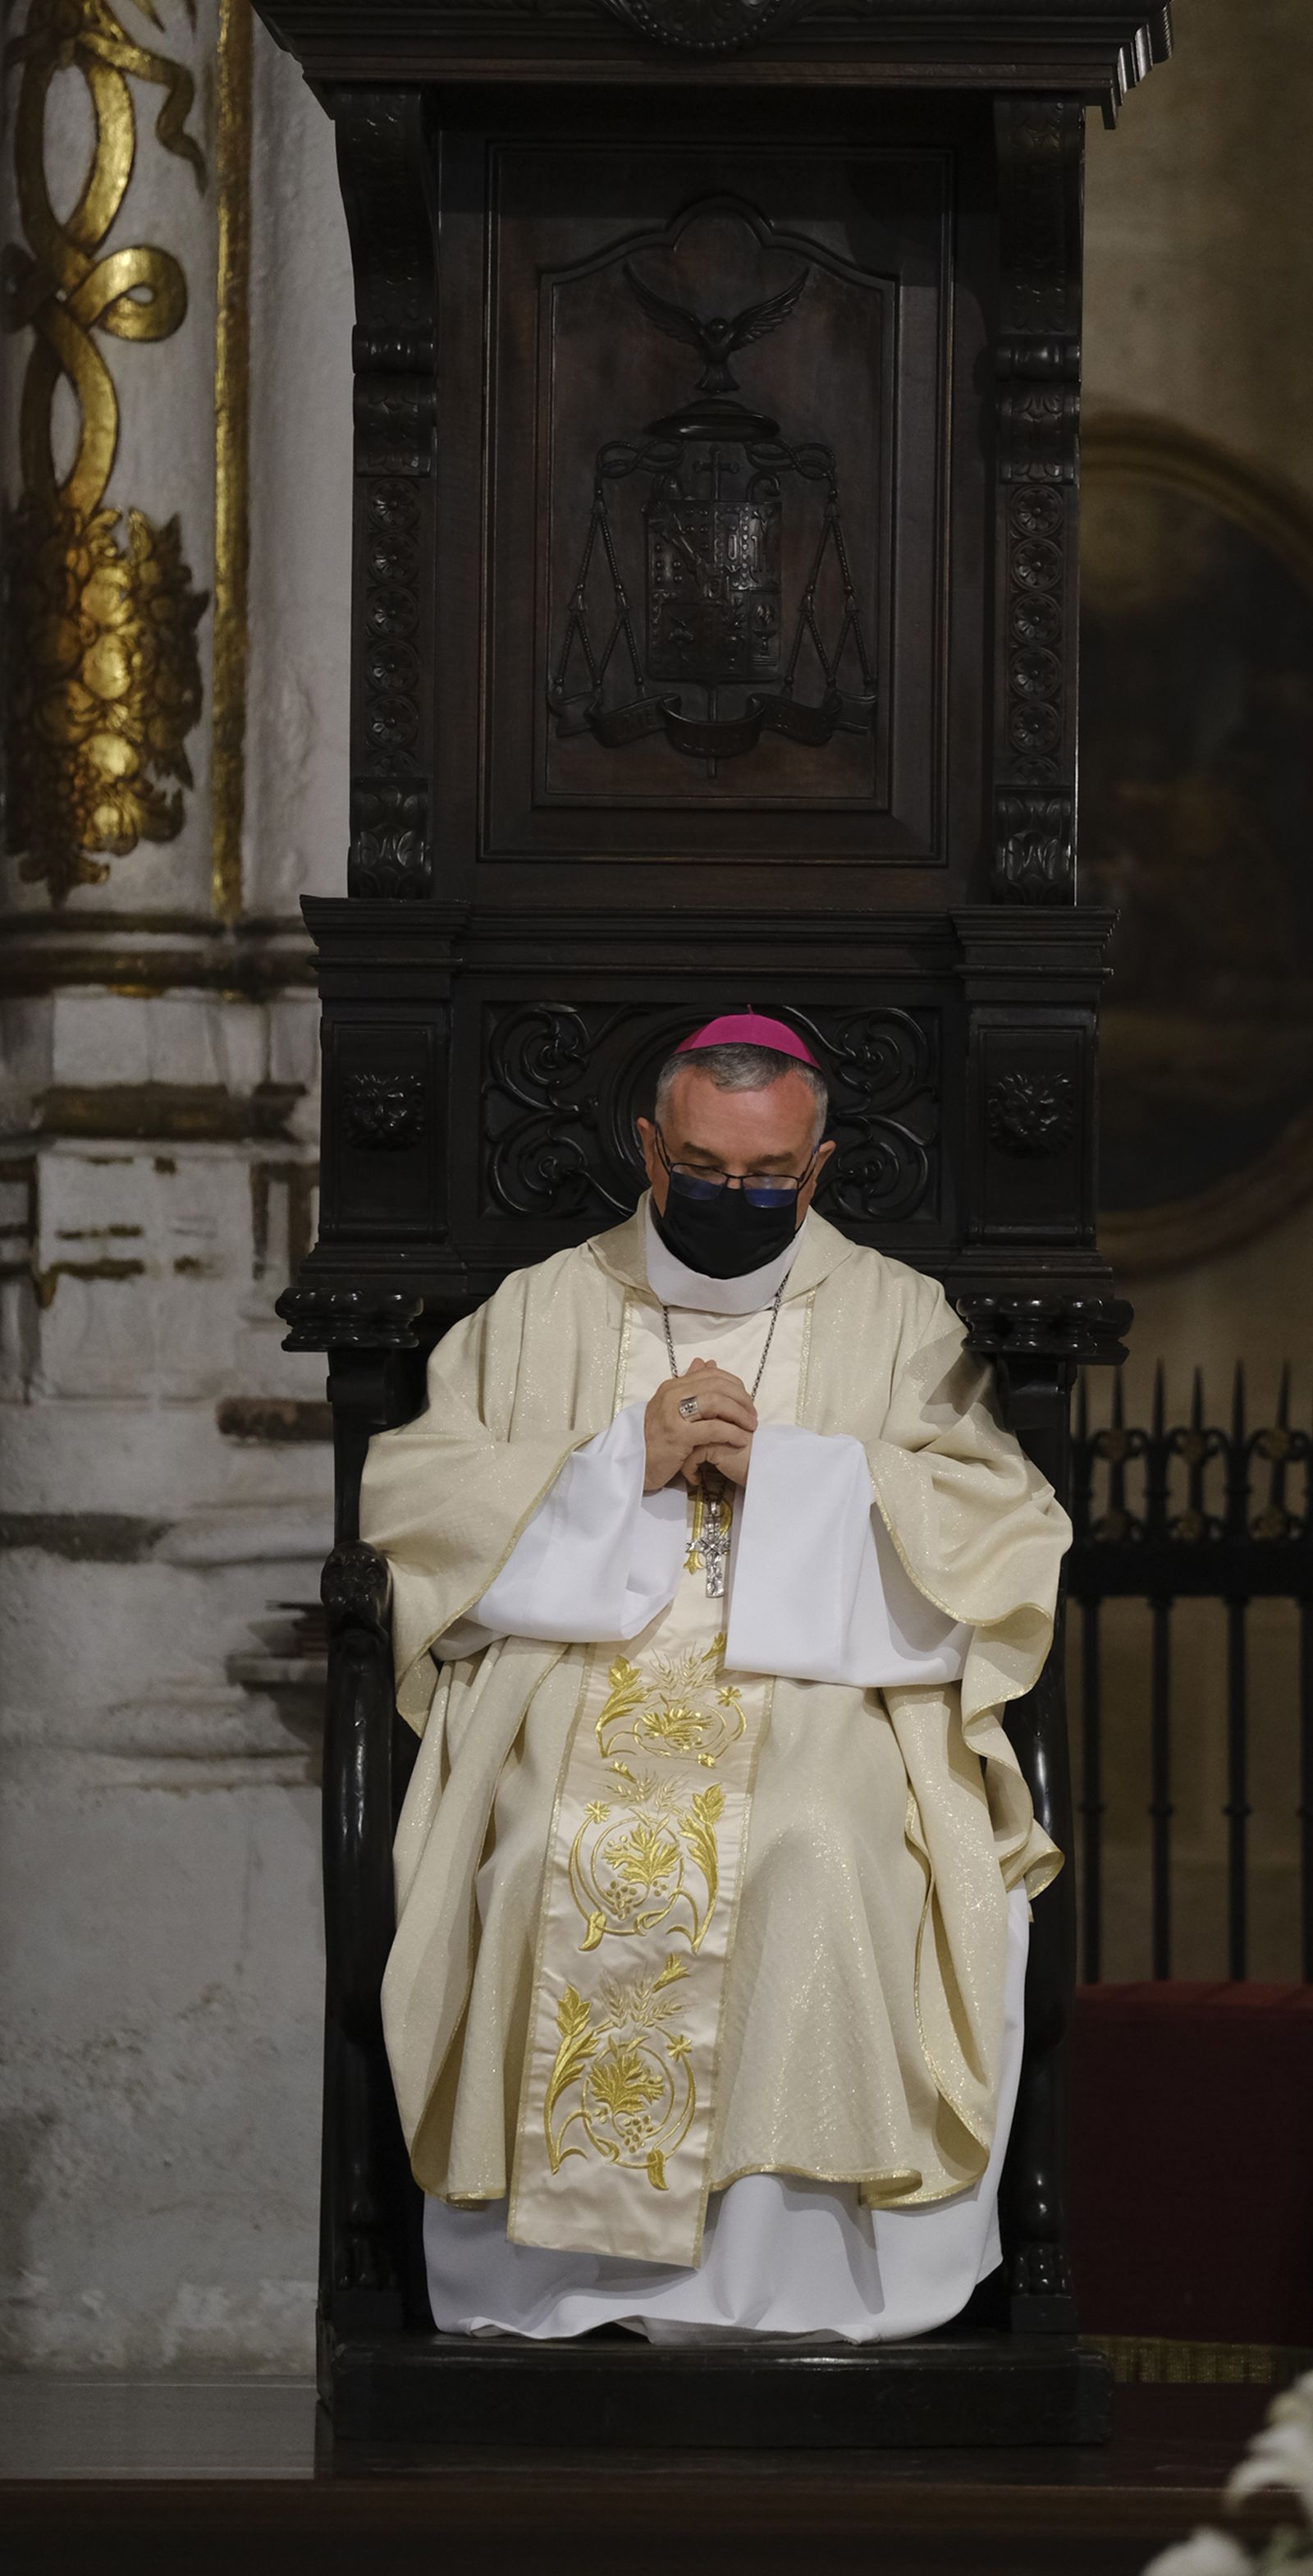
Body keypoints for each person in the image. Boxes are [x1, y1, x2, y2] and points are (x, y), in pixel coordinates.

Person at [359, 1012, 1069, 2342]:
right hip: (580, 1675)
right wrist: (610, 1465)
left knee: (810, 1849)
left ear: (817, 1167)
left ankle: (778, 2281)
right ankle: (568, 2282)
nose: (734, 1198)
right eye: (701, 1167)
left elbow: (1004, 1533)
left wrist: (796, 1479)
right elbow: (412, 1499)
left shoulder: (898, 1316)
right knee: (541, 1857)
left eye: (767, 1178)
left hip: (824, 1693)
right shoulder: (547, 1306)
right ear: (647, 1145)